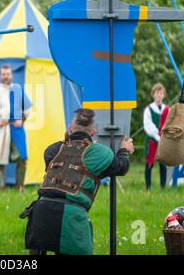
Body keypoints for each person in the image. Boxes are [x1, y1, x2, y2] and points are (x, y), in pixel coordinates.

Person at [21, 108, 134, 255]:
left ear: (70, 129)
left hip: (41, 212)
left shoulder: (52, 149)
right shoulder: (100, 153)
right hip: (70, 216)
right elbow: (121, 167)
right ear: (93, 132)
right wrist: (124, 151)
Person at [0, 65, 32, 191]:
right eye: (3, 74)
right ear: (0, 75)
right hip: (0, 129)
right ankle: (1, 188)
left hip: (16, 128)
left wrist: (22, 120)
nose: (5, 77)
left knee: (21, 157)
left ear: (11, 75)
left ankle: (19, 187)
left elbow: (27, 109)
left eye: (8, 74)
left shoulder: (18, 89)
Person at [143, 83, 170, 190]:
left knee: (163, 165)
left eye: (161, 93)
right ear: (153, 95)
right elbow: (148, 125)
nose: (159, 95)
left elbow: (169, 124)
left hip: (164, 140)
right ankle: (148, 188)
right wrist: (157, 136)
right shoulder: (148, 109)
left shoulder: (167, 109)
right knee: (149, 164)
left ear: (163, 95)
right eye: (157, 93)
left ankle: (163, 188)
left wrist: (164, 138)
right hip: (151, 141)